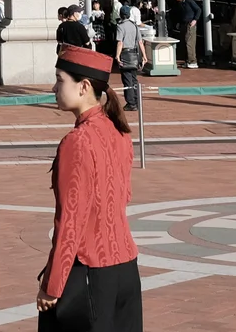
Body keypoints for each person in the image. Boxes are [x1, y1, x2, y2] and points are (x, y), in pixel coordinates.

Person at [36, 46, 141, 331]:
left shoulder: (77, 141)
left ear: (83, 87)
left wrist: (52, 285)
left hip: (88, 272)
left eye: (60, 79)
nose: (54, 87)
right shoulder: (120, 131)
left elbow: (70, 221)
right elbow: (123, 196)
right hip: (125, 269)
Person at [112, 4, 144, 109]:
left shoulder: (120, 26)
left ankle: (131, 103)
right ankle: (136, 100)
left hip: (125, 54)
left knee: (127, 79)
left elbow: (120, 42)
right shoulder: (134, 25)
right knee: (134, 78)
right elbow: (140, 42)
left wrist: (117, 55)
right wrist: (144, 56)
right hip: (134, 54)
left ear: (121, 15)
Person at [169, 0, 203, 69]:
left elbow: (198, 10)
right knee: (184, 42)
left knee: (190, 43)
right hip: (183, 24)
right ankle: (187, 60)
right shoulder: (179, 3)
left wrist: (195, 20)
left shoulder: (189, 1)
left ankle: (193, 61)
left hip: (190, 24)